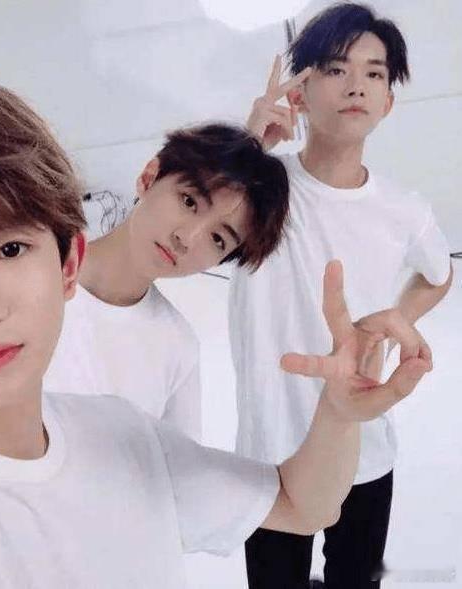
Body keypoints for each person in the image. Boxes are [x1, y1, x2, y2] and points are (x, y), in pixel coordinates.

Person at [0, 75, 431, 588]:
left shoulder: (131, 428)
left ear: (64, 264)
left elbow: (292, 504)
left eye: (10, 250)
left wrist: (339, 414)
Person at [232, 3, 453, 587]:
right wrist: (245, 146)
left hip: (364, 443)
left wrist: (390, 320)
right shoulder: (259, 186)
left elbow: (439, 274)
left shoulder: (403, 209)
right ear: (300, 93)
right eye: (335, 69)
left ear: (388, 102)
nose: (356, 85)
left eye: (374, 73)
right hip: (273, 453)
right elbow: (186, 222)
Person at [44, 123, 290, 440]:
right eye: (189, 202)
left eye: (217, 239)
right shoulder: (30, 269)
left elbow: (177, 465)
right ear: (149, 177)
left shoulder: (178, 347)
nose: (186, 238)